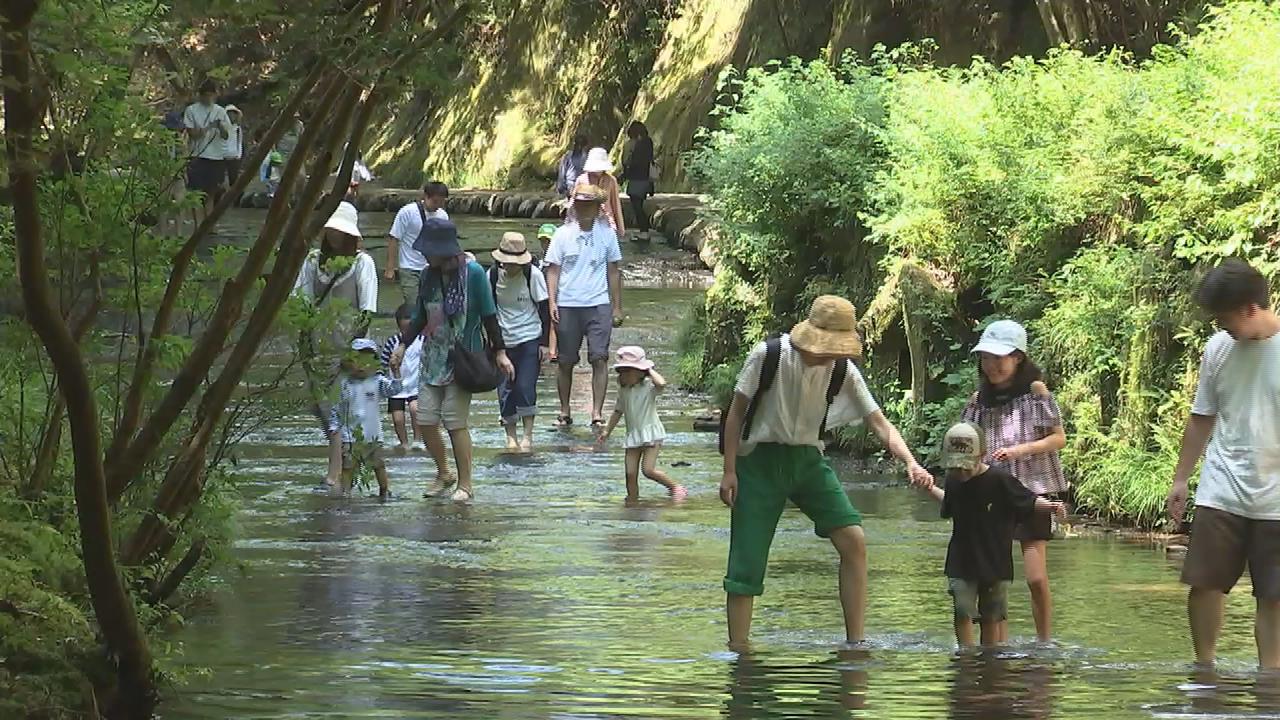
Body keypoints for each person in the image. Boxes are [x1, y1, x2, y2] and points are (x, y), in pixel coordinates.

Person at [719, 295, 934, 650]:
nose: (829, 354)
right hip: (758, 461)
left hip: (808, 460)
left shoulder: (842, 370)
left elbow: (879, 423)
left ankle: (855, 642)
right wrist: (729, 470)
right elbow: (736, 413)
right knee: (747, 561)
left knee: (854, 539)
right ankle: (740, 652)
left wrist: (910, 461)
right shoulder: (769, 356)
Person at [1167, 258, 1280, 669]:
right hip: (1222, 486)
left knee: (1273, 595)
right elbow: (1202, 417)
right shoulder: (1218, 349)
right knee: (1205, 583)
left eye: (1225, 319)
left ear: (1251, 308)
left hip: (1277, 499)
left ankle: (1271, 683)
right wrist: (1181, 480)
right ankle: (1205, 672)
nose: (1221, 328)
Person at [390, 217, 514, 502]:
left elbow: (489, 316)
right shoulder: (427, 275)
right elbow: (420, 315)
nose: (424, 254)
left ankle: (466, 484)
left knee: (454, 421)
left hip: (462, 358)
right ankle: (444, 472)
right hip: (432, 357)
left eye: (428, 250)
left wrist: (501, 352)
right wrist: (402, 346)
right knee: (425, 418)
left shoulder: (474, 274)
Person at [961, 320, 1067, 643]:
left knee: (1036, 578)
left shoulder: (1036, 392)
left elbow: (1058, 438)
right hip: (994, 496)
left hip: (1034, 489)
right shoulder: (979, 400)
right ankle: (997, 646)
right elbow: (965, 444)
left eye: (999, 358)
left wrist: (1020, 451)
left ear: (1018, 357)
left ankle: (1044, 642)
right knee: (993, 576)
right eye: (986, 358)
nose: (991, 365)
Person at [923, 422, 1065, 648]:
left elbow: (1026, 499)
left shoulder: (999, 480)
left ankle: (989, 659)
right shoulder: (953, 480)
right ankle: (965, 655)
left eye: (965, 467)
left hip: (994, 561)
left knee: (992, 615)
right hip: (961, 560)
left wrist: (1050, 507)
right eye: (955, 467)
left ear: (982, 455)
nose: (961, 473)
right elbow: (949, 505)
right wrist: (929, 489)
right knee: (962, 609)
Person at [292, 201, 378, 487]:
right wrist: (304, 342)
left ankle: (335, 473)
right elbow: (301, 302)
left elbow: (367, 309)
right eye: (331, 230)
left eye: (340, 231)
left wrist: (356, 352)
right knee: (322, 408)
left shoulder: (363, 264)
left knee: (337, 410)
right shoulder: (312, 262)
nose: (334, 236)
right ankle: (344, 464)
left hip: (348, 347)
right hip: (317, 346)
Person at [544, 184, 623, 429]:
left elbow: (613, 271)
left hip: (598, 303)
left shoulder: (607, 234)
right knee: (566, 361)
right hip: (568, 304)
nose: (582, 208)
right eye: (578, 204)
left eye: (587, 204)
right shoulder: (562, 235)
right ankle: (564, 410)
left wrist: (617, 307)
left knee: (599, 359)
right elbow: (553, 270)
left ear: (598, 208)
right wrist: (552, 302)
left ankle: (597, 413)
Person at [597, 346, 686, 501]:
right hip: (633, 436)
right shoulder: (623, 391)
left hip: (651, 434)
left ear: (640, 372)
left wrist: (649, 370)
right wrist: (607, 431)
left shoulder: (648, 388)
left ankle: (675, 487)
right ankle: (632, 500)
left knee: (648, 470)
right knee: (630, 474)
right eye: (622, 371)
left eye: (628, 371)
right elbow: (618, 412)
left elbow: (662, 383)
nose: (624, 375)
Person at [490, 232, 551, 452]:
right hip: (503, 341)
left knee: (525, 386)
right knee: (505, 390)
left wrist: (545, 344)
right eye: (507, 263)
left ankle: (527, 435)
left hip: (529, 337)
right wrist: (497, 347)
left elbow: (544, 309)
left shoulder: (532, 274)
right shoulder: (492, 276)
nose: (511, 267)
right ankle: (511, 437)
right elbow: (489, 312)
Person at [336, 338, 402, 499]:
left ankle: (385, 491)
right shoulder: (344, 384)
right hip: (350, 436)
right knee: (348, 466)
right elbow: (336, 409)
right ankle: (345, 494)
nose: (362, 366)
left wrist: (396, 373)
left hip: (373, 435)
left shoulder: (377, 382)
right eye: (357, 360)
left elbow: (395, 390)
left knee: (378, 464)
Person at [386, 181, 450, 306]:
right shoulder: (407, 212)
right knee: (413, 306)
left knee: (433, 307)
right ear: (425, 197)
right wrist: (390, 268)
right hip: (409, 268)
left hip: (432, 268)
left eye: (442, 202)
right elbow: (394, 238)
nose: (438, 205)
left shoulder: (443, 216)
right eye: (435, 201)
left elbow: (444, 243)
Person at [181, 79, 232, 226]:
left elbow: (226, 136)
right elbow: (193, 134)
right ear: (201, 95)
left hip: (216, 157)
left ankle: (208, 225)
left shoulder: (221, 111)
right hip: (198, 155)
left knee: (211, 193)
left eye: (212, 95)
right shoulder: (192, 110)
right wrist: (208, 127)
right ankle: (198, 224)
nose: (209, 98)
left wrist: (220, 127)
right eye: (206, 95)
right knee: (196, 194)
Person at [380, 304, 424, 452]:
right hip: (396, 385)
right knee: (397, 418)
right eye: (404, 329)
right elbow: (382, 363)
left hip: (415, 384)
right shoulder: (393, 342)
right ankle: (403, 442)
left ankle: (418, 440)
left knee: (415, 409)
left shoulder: (421, 341)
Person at [569, 148, 625, 235]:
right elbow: (573, 204)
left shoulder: (611, 180)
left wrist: (620, 228)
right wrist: (570, 225)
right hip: (586, 223)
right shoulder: (582, 179)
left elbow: (616, 205)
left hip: (608, 224)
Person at [622, 121, 656, 240]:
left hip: (637, 178)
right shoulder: (648, 142)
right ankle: (643, 231)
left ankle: (644, 231)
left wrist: (625, 173)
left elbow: (630, 162)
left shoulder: (637, 145)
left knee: (637, 206)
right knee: (638, 204)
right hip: (645, 178)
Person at [536, 223, 559, 362]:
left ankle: (552, 350)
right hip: (541, 298)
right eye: (543, 241)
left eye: (549, 241)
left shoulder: (559, 260)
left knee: (553, 322)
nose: (546, 244)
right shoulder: (538, 262)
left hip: (556, 296)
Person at [555, 132, 589, 199]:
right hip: (569, 186)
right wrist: (561, 188)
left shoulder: (586, 158)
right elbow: (562, 174)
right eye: (577, 145)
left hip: (582, 187)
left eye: (580, 145)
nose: (579, 147)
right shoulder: (567, 157)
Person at [222, 105, 244, 189]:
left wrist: (238, 155)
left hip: (234, 158)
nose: (231, 116)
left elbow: (239, 142)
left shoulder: (238, 129)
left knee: (234, 181)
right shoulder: (222, 128)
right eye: (229, 114)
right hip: (222, 157)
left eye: (234, 114)